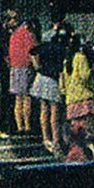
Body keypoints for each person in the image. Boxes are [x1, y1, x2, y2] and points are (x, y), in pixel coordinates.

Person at [32, 21, 69, 152]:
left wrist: (37, 65)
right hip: (52, 80)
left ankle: (45, 138)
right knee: (55, 111)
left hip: (41, 77)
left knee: (44, 109)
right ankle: (56, 140)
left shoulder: (45, 45)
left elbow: (32, 51)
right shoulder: (62, 49)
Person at [62, 40, 94, 137]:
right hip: (83, 97)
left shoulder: (67, 60)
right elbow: (85, 76)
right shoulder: (81, 58)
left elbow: (63, 80)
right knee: (89, 131)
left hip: (71, 99)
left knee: (75, 132)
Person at [6, 13, 37, 135]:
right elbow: (32, 52)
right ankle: (27, 125)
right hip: (25, 67)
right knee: (26, 98)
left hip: (14, 68)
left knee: (18, 99)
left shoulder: (13, 36)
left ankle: (19, 126)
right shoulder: (29, 35)